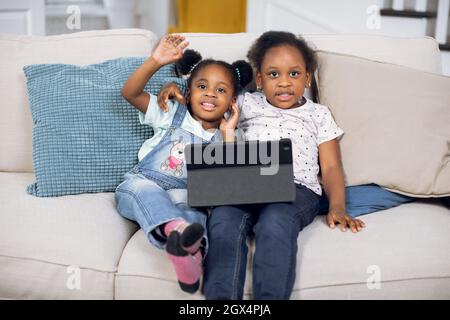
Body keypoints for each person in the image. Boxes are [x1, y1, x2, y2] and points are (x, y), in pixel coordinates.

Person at [157, 31, 366, 300]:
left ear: (307, 77)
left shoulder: (318, 114)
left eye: (294, 74)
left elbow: (331, 168)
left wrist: (337, 206)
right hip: (243, 184)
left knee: (275, 223)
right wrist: (173, 90)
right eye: (273, 74)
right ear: (258, 79)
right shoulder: (245, 102)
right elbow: (206, 102)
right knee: (222, 222)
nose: (284, 83)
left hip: (295, 188)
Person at [115, 34, 253, 294]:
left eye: (221, 90)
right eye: (202, 86)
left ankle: (187, 258)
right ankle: (176, 231)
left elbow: (235, 184)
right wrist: (155, 61)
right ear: (188, 94)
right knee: (144, 190)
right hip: (145, 182)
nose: (211, 93)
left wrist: (229, 134)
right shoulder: (170, 112)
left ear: (233, 102)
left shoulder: (230, 135)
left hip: (188, 194)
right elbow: (129, 93)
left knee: (194, 212)